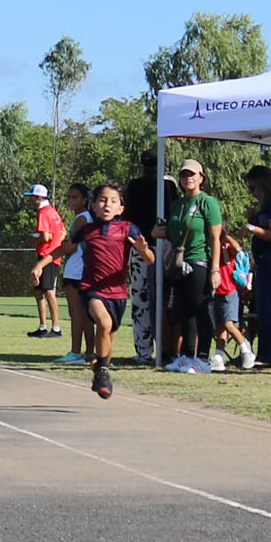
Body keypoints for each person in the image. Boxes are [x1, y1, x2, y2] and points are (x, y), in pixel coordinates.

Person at [62, 180, 155, 400]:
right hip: (91, 289)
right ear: (93, 205)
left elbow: (149, 258)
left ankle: (99, 368)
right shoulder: (86, 230)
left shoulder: (128, 228)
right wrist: (40, 265)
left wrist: (143, 250)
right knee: (103, 324)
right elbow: (65, 248)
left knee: (108, 338)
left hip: (118, 293)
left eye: (113, 201)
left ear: (121, 208)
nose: (107, 205)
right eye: (102, 200)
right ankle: (103, 372)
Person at [152, 158, 221, 374]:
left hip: (199, 260)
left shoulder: (207, 202)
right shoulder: (178, 204)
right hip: (179, 262)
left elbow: (215, 237)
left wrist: (215, 269)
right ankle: (186, 355)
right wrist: (158, 232)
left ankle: (202, 358)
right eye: (184, 175)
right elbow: (173, 231)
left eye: (192, 174)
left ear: (201, 177)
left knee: (199, 309)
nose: (188, 178)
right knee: (183, 310)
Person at [125, 149, 178, 365]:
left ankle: (145, 351)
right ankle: (164, 350)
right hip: (159, 247)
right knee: (161, 301)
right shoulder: (169, 186)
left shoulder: (138, 186)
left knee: (142, 301)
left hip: (143, 246)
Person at [243, 165, 271, 368]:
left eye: (253, 188)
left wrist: (252, 228)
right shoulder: (266, 206)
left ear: (264, 185)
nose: (252, 193)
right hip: (263, 260)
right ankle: (265, 353)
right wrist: (253, 218)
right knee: (263, 308)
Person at [55, 184, 95, 366]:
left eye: (75, 197)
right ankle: (89, 352)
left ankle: (76, 351)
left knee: (76, 313)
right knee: (86, 314)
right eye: (69, 197)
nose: (71, 201)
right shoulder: (88, 218)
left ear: (85, 200)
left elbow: (71, 246)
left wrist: (63, 242)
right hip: (83, 269)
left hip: (76, 270)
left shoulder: (81, 218)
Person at [24, 184, 65, 338]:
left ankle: (56, 328)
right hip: (53, 254)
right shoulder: (54, 212)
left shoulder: (43, 212)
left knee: (48, 291)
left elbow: (45, 236)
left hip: (47, 255)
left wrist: (32, 238)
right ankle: (43, 326)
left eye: (32, 197)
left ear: (39, 197)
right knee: (39, 291)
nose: (30, 200)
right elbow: (62, 232)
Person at [209, 233, 253, 372]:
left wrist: (225, 237)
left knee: (229, 324)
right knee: (221, 327)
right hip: (218, 291)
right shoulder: (211, 247)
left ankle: (246, 350)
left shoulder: (227, 248)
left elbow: (238, 248)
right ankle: (218, 356)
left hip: (229, 291)